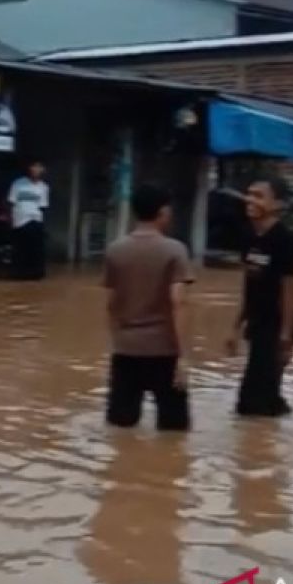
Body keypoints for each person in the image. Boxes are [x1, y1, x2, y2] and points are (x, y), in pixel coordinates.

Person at [103, 184, 194, 431]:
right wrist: (183, 357)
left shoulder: (115, 250)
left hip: (125, 351)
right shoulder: (175, 250)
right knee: (174, 432)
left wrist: (118, 340)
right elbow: (179, 303)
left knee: (121, 428)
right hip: (164, 351)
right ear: (163, 212)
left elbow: (112, 304)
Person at [226, 177, 293, 418]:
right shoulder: (248, 237)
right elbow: (249, 286)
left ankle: (263, 446)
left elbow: (289, 290)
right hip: (257, 322)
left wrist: (286, 337)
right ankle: (274, 431)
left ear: (277, 204)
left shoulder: (286, 241)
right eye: (249, 194)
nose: (250, 200)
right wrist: (234, 327)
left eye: (259, 196)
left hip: (277, 325)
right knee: (264, 398)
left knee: (250, 404)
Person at [9, 159, 50, 280]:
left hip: (35, 220)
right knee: (20, 248)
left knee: (36, 248)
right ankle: (19, 273)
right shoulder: (18, 184)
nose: (36, 169)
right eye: (34, 166)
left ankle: (35, 273)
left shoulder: (44, 187)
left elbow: (43, 206)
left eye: (39, 167)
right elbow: (11, 202)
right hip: (20, 220)